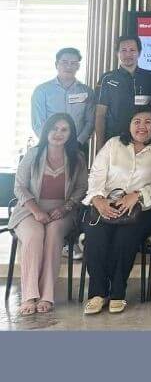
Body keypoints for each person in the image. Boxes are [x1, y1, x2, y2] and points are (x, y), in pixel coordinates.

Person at [82, 106, 151, 315]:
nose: (142, 126)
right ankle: (98, 293)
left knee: (124, 239)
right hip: (106, 204)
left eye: (148, 122)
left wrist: (136, 195)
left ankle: (118, 292)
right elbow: (96, 174)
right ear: (128, 125)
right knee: (95, 237)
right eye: (137, 121)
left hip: (140, 210)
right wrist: (98, 199)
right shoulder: (113, 144)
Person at [10, 114, 87, 315]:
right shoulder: (33, 154)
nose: (58, 133)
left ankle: (46, 295)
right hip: (29, 209)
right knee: (35, 236)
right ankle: (29, 296)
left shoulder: (77, 157)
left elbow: (81, 189)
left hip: (62, 212)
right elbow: (19, 187)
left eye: (64, 130)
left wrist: (66, 207)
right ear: (46, 131)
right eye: (54, 128)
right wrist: (36, 211)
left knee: (53, 235)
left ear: (71, 134)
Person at [94, 35, 151, 147]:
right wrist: (100, 146)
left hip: (144, 140)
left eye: (132, 50)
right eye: (123, 50)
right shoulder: (107, 78)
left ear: (139, 52)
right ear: (117, 53)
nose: (128, 54)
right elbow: (100, 114)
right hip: (115, 140)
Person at [31, 47, 94, 149]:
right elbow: (37, 123)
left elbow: (90, 122)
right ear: (56, 64)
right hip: (49, 146)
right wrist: (51, 142)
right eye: (64, 62)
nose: (69, 66)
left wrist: (78, 142)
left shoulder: (87, 92)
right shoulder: (42, 91)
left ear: (78, 66)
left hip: (78, 147)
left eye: (73, 63)